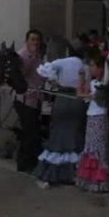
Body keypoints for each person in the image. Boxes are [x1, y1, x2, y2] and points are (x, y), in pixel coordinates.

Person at [32, 45, 88, 188]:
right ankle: (71, 175)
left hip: (62, 99)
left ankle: (47, 174)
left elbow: (44, 70)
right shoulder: (85, 67)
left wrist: (54, 81)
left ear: (69, 52)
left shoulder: (62, 62)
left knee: (57, 136)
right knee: (74, 138)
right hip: (78, 101)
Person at [75, 50, 109, 193]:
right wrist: (81, 79)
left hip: (100, 118)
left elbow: (103, 99)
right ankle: (90, 179)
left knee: (99, 148)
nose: (91, 69)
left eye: (93, 66)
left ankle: (101, 181)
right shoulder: (93, 83)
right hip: (91, 117)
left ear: (100, 68)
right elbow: (80, 94)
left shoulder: (105, 84)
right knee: (90, 147)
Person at [15, 29, 44, 173]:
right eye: (32, 39)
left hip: (37, 98)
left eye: (37, 39)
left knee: (34, 133)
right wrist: (31, 58)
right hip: (25, 99)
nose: (35, 42)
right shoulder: (22, 55)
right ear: (26, 41)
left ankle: (30, 162)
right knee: (29, 133)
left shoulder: (38, 55)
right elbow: (22, 74)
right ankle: (24, 164)